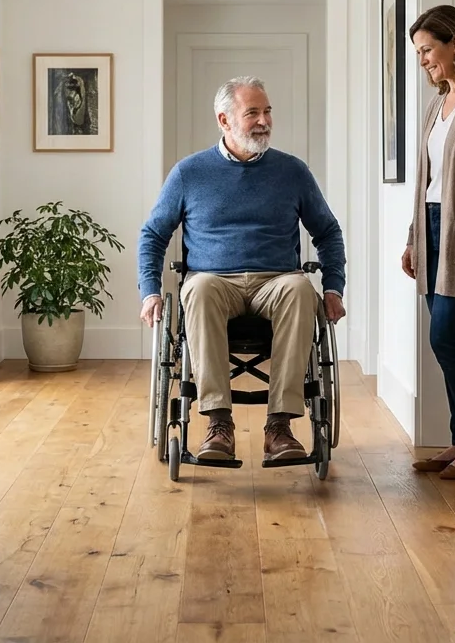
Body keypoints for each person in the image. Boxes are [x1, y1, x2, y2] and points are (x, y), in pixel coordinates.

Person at [138, 76, 347, 463]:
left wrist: (333, 287)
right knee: (196, 291)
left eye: (267, 111)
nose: (264, 120)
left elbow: (328, 232)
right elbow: (153, 234)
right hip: (213, 280)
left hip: (276, 280)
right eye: (252, 112)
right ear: (224, 119)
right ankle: (218, 424)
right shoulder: (189, 173)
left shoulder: (292, 172)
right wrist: (150, 292)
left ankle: (279, 426)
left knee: (302, 289)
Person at [402, 5, 455, 481]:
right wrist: (411, 239)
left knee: (449, 335)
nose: (423, 60)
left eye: (427, 49)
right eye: (419, 52)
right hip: (429, 225)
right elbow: (425, 181)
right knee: (444, 341)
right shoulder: (436, 104)